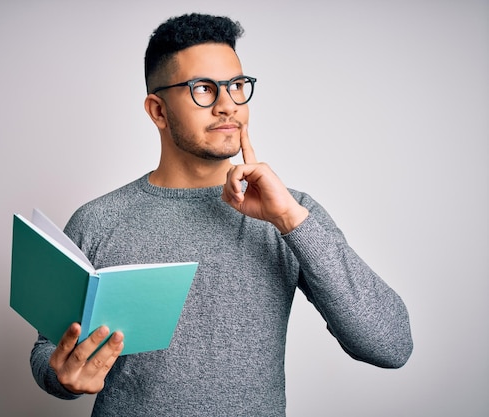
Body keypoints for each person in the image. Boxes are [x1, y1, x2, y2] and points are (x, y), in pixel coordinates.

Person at [30, 13, 413, 416]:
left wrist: (289, 221)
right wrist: (61, 376)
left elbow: (390, 345)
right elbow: (45, 350)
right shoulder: (98, 221)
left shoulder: (290, 213)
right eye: (203, 89)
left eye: (236, 86)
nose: (228, 105)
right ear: (158, 111)